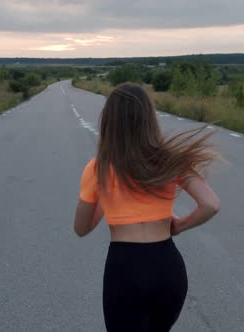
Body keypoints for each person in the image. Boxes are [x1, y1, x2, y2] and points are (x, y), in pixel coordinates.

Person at [73, 83, 220, 332]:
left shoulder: (98, 168)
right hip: (167, 267)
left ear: (109, 121)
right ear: (149, 119)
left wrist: (108, 199)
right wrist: (181, 225)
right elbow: (210, 204)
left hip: (125, 270)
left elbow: (81, 228)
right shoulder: (169, 161)